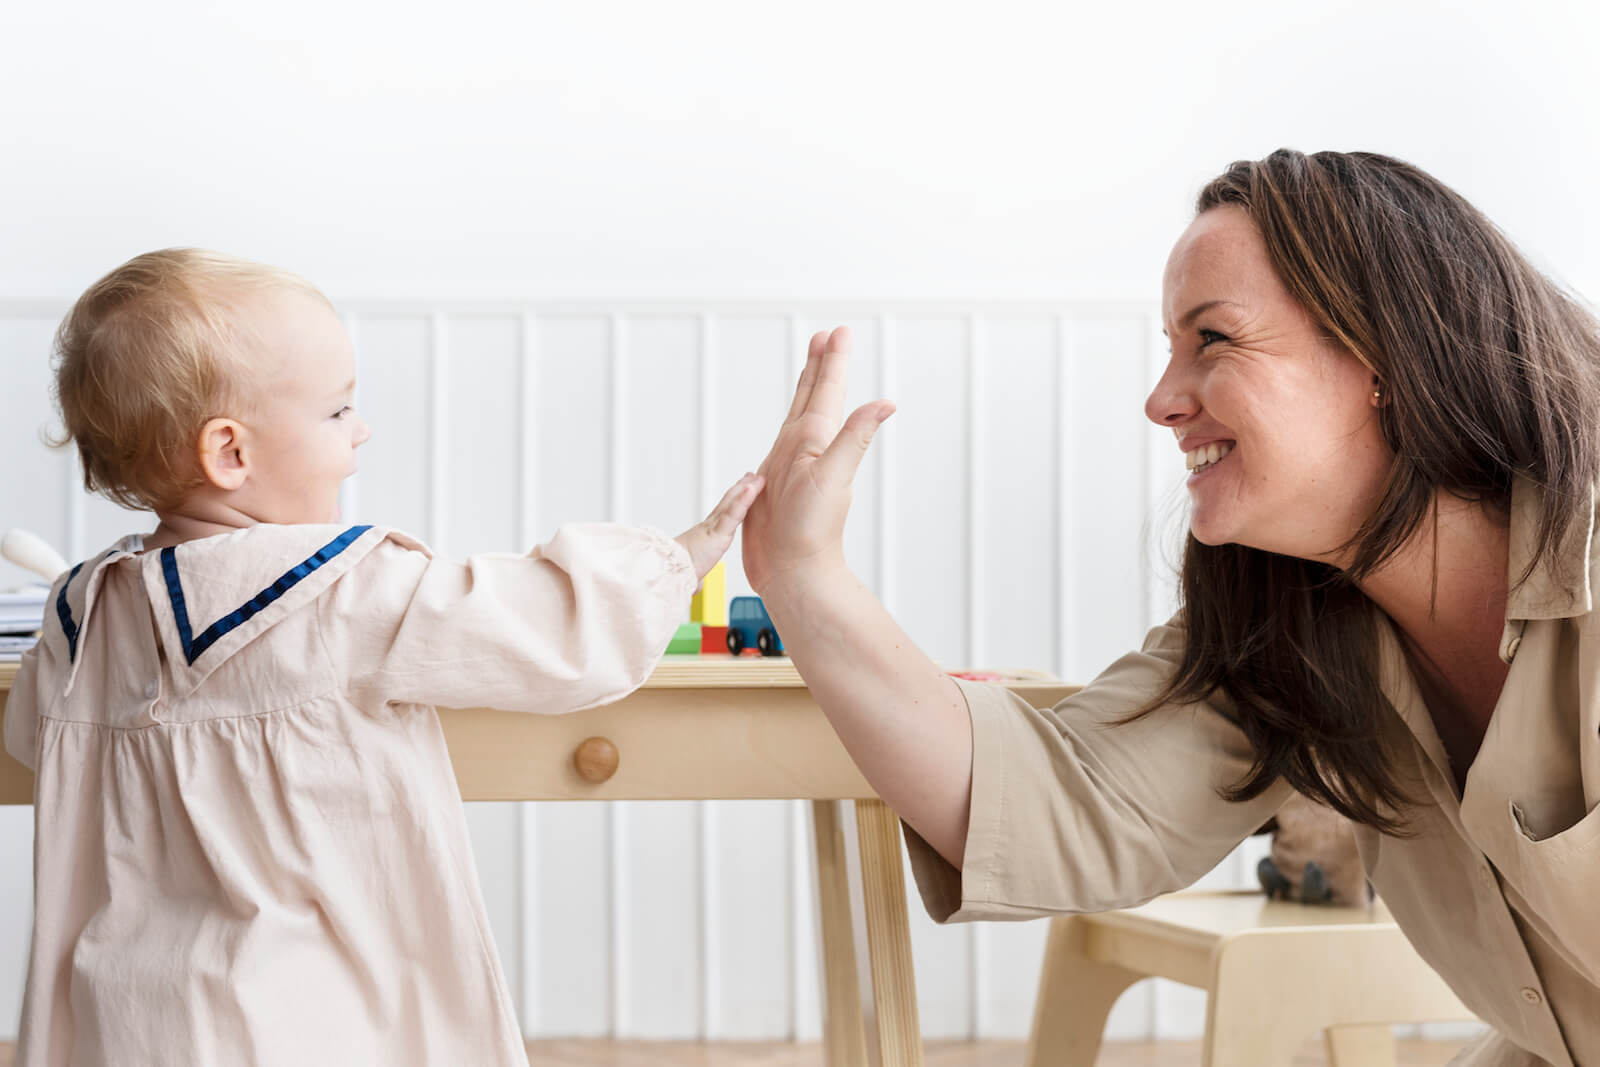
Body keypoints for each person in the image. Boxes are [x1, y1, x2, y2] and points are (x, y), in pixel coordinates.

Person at [743, 149, 1600, 1066]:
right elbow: (1050, 806)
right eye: (1169, 349)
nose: (1160, 401)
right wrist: (803, 575)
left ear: (1381, 355)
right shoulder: (1294, 632)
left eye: (1214, 340)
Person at [2, 248, 762, 1067]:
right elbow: (541, 625)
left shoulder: (80, 618)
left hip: (129, 1020)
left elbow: (26, 741)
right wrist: (677, 559)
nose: (359, 428)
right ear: (230, 452)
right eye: (337, 412)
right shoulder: (343, 592)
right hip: (296, 1020)